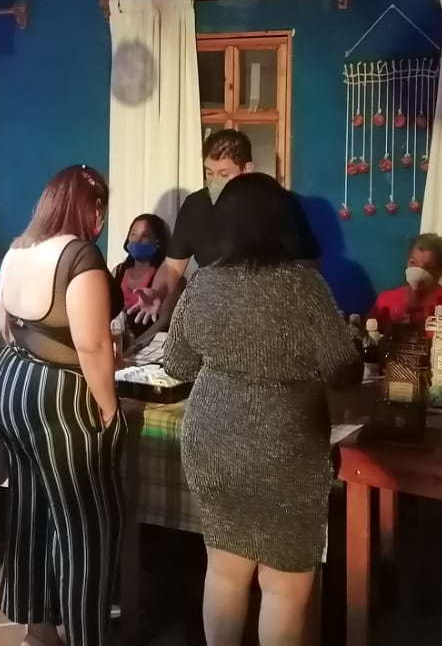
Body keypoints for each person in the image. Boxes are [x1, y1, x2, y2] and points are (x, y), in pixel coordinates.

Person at [162, 173, 362, 646]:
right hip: (285, 445)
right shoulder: (305, 286)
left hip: (212, 440)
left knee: (224, 569)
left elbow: (176, 363)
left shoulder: (203, 282)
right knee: (283, 585)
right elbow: (344, 372)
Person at [0, 165, 122, 646]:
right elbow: (92, 345)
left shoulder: (18, 249)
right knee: (86, 524)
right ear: (91, 208)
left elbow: (3, 325)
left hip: (10, 383)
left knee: (30, 511)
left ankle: (38, 630)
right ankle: (86, 635)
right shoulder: (80, 256)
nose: (102, 219)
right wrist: (109, 410)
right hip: (56, 397)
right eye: (101, 208)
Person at [130, 129, 319, 326]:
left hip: (269, 319)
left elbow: (308, 265)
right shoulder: (195, 205)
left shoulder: (277, 201)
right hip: (212, 318)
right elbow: (173, 265)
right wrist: (158, 292)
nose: (214, 183)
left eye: (223, 174)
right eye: (209, 173)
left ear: (247, 169)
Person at [367, 233, 442, 332]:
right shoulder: (386, 300)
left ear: (441, 270)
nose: (418, 271)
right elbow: (368, 335)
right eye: (413, 262)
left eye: (427, 267)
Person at [110, 213, 176, 344]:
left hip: (150, 347)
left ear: (158, 242)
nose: (137, 240)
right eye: (133, 234)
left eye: (145, 236)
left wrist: (136, 345)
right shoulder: (117, 271)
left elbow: (164, 320)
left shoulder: (166, 276)